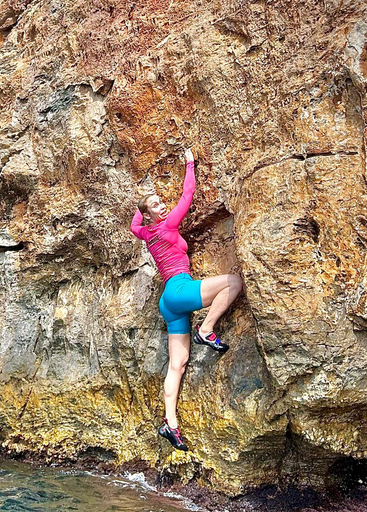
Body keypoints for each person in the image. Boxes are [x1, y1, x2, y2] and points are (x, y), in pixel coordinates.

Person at [129, 148, 243, 451]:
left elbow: (132, 225)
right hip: (178, 290)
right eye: (156, 205)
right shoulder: (166, 226)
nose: (163, 206)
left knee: (177, 365)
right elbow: (187, 194)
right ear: (151, 214)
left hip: (168, 303)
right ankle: (206, 330)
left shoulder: (145, 233)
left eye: (161, 202)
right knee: (234, 282)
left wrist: (142, 207)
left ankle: (170, 423)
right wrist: (190, 163)